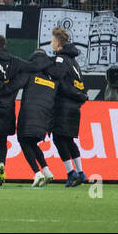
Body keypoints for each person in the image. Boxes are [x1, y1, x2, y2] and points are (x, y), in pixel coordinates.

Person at [14, 38, 65, 186]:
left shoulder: (30, 72)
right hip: (45, 115)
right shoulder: (54, 75)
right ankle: (47, 171)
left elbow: (14, 85)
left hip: (28, 113)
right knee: (32, 143)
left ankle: (37, 173)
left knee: (23, 141)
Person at [49, 28, 90, 187]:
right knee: (68, 140)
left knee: (59, 139)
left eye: (53, 40)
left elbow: (59, 80)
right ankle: (81, 172)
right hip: (74, 106)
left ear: (59, 44)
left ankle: (71, 173)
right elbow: (79, 84)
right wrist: (80, 96)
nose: (51, 43)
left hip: (63, 105)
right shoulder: (74, 61)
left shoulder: (61, 59)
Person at [0, 33, 23, 184]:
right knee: (2, 141)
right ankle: (1, 164)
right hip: (8, 107)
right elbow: (18, 81)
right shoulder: (14, 62)